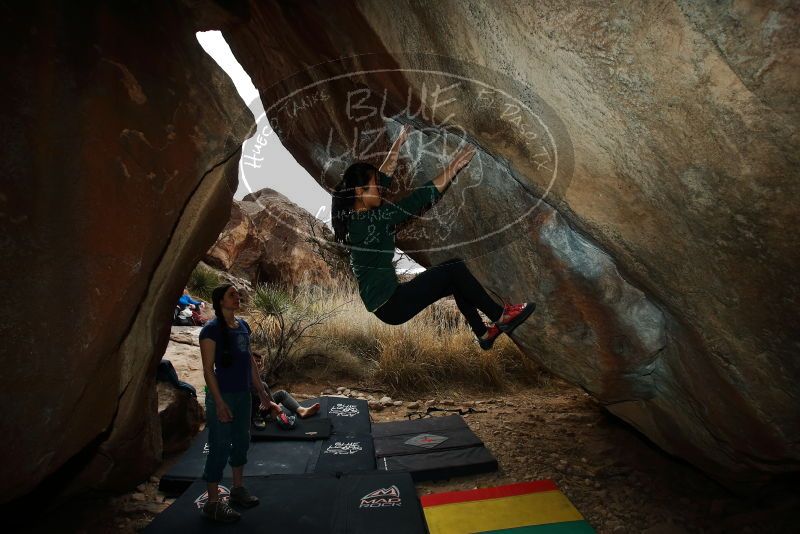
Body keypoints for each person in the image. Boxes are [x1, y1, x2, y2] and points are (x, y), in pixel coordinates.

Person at [331, 125, 535, 350]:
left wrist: (399, 141)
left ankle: (484, 334)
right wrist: (454, 165)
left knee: (457, 280)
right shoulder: (372, 220)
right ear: (360, 192)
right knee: (454, 269)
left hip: (386, 305)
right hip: (392, 304)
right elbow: (417, 199)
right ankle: (501, 316)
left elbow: (384, 172)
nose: (380, 188)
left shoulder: (356, 217)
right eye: (375, 186)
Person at [198, 284, 279, 523]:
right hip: (222, 397)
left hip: (243, 396)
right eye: (232, 295)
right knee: (219, 445)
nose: (237, 297)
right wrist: (220, 403)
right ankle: (212, 503)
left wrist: (264, 396)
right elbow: (207, 370)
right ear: (220, 301)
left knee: (242, 441)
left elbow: (249, 365)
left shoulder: (243, 326)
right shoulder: (210, 331)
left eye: (237, 294)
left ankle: (237, 489)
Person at [250, 381, 321, 430]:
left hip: (262, 404)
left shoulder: (258, 377)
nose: (258, 363)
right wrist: (276, 407)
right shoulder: (246, 378)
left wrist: (271, 403)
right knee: (263, 385)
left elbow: (265, 396)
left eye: (259, 361)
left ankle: (302, 410)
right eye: (256, 361)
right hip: (252, 412)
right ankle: (274, 413)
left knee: (281, 394)